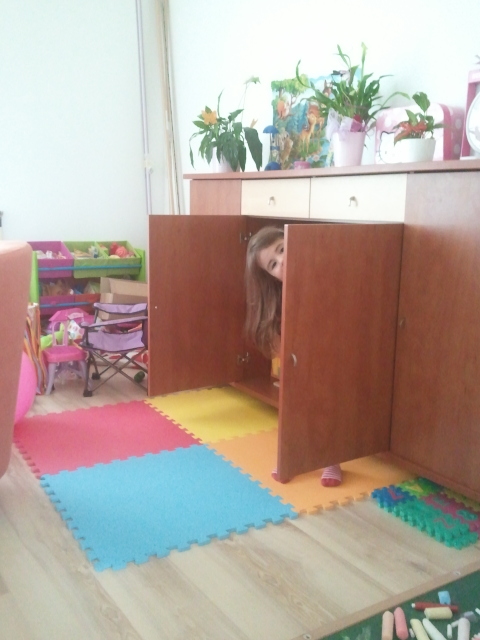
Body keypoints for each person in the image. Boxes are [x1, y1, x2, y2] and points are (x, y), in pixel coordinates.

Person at [244, 226, 342, 487]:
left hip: (329, 357)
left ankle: (331, 459)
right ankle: (290, 458)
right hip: (298, 361)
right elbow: (279, 341)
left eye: (282, 249)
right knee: (293, 410)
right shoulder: (280, 297)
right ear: (271, 277)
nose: (283, 261)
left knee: (325, 407)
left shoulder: (324, 274)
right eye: (273, 265)